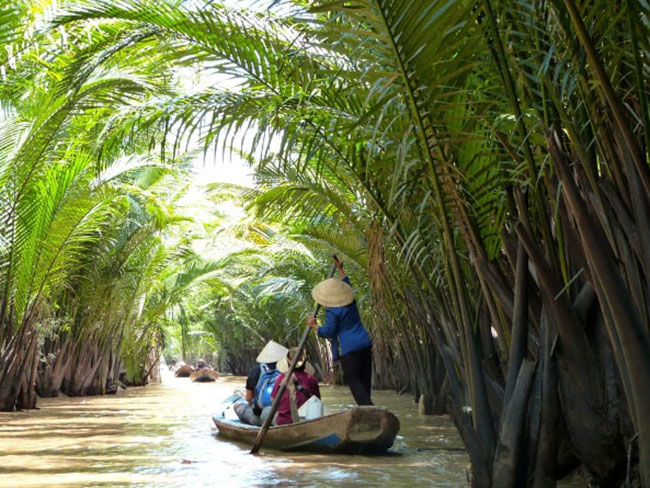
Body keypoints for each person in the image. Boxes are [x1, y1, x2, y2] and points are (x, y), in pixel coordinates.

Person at [308, 257, 373, 406]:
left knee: (356, 384)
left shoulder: (333, 311)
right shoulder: (351, 301)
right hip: (364, 343)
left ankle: (370, 411)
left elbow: (328, 332)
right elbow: (346, 283)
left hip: (349, 349)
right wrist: (340, 269)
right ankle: (369, 410)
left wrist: (314, 325)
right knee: (365, 382)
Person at [233, 340, 288, 425]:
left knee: (238, 405)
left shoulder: (255, 371)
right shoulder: (285, 370)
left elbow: (248, 398)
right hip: (283, 412)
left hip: (259, 415)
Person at [270, 347, 321, 425]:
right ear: (304, 363)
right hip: (306, 422)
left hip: (284, 422)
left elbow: (274, 402)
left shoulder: (281, 378)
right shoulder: (311, 379)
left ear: (288, 363)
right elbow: (317, 402)